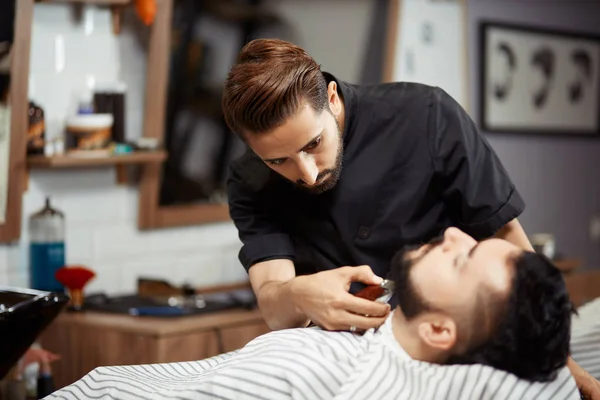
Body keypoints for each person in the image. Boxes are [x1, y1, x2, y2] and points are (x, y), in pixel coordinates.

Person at [221, 38, 600, 396]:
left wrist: (561, 362)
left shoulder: (426, 116)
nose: (306, 173)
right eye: (278, 161)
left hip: (441, 347)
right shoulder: (248, 182)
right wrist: (298, 296)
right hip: (338, 359)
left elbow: (508, 247)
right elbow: (273, 299)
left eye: (313, 144)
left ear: (332, 100)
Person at [44, 229, 580, 400]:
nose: (454, 233)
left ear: (441, 331)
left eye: (463, 258)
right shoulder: (374, 325)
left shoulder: (315, 378)